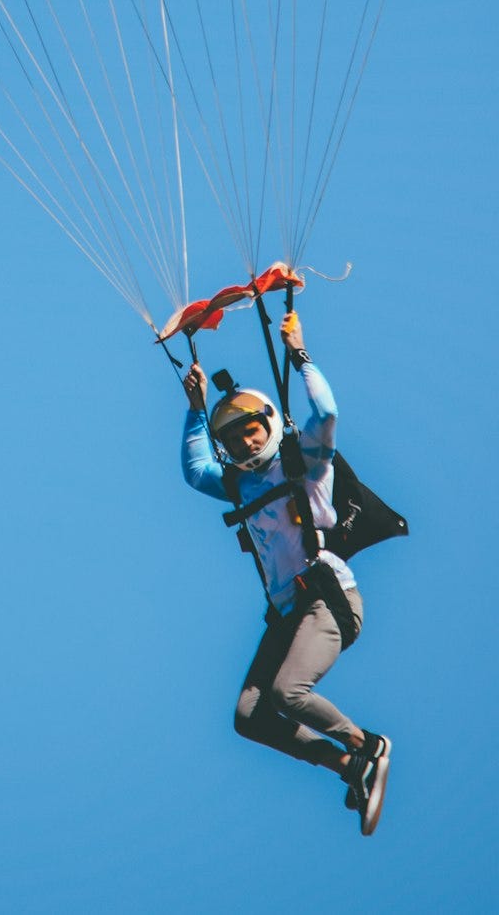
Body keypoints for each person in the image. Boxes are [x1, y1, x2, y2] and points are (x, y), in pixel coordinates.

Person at [181, 312, 391, 835]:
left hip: (328, 600)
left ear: (269, 425)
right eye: (233, 441)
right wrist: (195, 411)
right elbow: (194, 470)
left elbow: (327, 410)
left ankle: (368, 746)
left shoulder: (307, 463)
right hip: (287, 614)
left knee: (286, 694)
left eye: (251, 431)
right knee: (250, 716)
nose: (246, 444)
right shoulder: (238, 486)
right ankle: (345, 766)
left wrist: (299, 354)